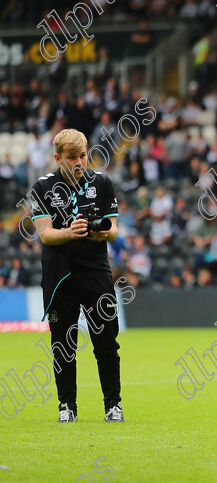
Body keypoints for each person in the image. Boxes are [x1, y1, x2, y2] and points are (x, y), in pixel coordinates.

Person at [28, 129, 123, 423]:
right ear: (58, 158)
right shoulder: (42, 188)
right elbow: (45, 234)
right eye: (72, 158)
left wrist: (102, 233)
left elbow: (115, 229)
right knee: (63, 345)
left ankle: (113, 405)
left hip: (96, 273)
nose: (80, 162)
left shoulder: (102, 182)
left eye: (83, 155)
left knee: (106, 342)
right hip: (60, 276)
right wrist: (69, 233)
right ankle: (66, 406)